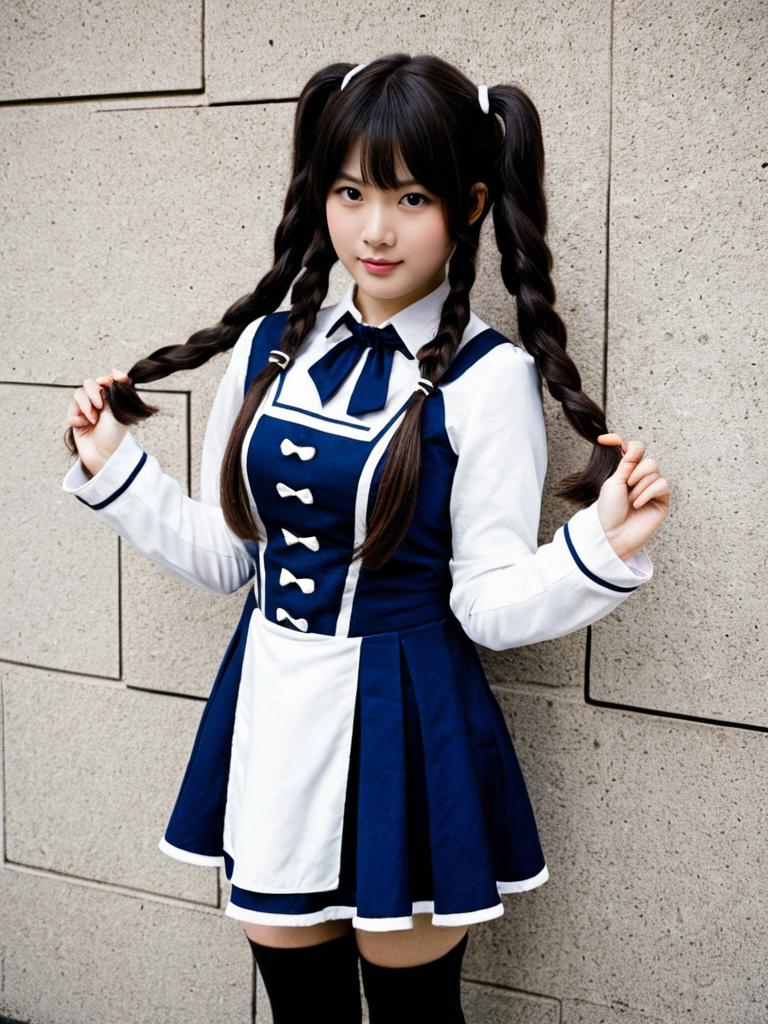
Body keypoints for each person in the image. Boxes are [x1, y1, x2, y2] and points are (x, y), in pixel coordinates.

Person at [60, 53, 669, 1024]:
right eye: (349, 191)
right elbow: (229, 558)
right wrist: (116, 472)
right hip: (270, 717)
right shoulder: (269, 348)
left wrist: (599, 549)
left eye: (410, 196)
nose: (373, 229)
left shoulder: (487, 379)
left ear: (469, 204)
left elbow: (487, 602)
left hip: (405, 728)